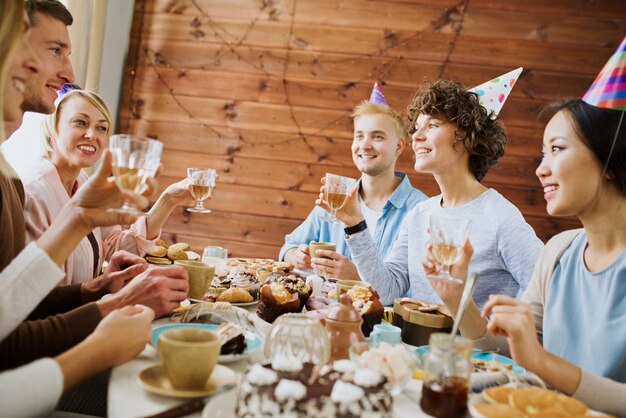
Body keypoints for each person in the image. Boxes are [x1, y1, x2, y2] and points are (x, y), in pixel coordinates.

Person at [0, 1, 156, 416]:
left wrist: (79, 219)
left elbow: (3, 310)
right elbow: (9, 346)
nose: (67, 74)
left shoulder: (7, 179)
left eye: (102, 127)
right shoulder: (27, 185)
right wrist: (100, 337)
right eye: (53, 51)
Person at [426, 98, 626, 416]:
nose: (540, 169)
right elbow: (513, 352)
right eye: (542, 154)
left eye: (557, 149)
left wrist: (542, 362)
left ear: (610, 160)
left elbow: (537, 360)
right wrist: (457, 297)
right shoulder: (559, 252)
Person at [318, 78, 543, 307]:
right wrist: (355, 224)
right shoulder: (419, 215)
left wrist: (503, 336)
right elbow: (386, 291)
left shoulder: (500, 218)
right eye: (417, 127)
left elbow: (548, 292)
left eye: (432, 125)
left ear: (469, 138)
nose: (415, 136)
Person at [24, 88, 195, 285]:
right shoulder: (33, 191)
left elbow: (117, 248)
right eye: (80, 122)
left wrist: (168, 200)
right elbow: (28, 289)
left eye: (101, 128)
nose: (92, 135)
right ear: (52, 127)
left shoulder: (85, 181)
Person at [281, 84, 427, 280]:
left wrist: (358, 278)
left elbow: (420, 289)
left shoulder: (420, 210)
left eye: (377, 136)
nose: (364, 146)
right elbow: (288, 246)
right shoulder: (336, 197)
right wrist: (297, 257)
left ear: (399, 147)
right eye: (359, 136)